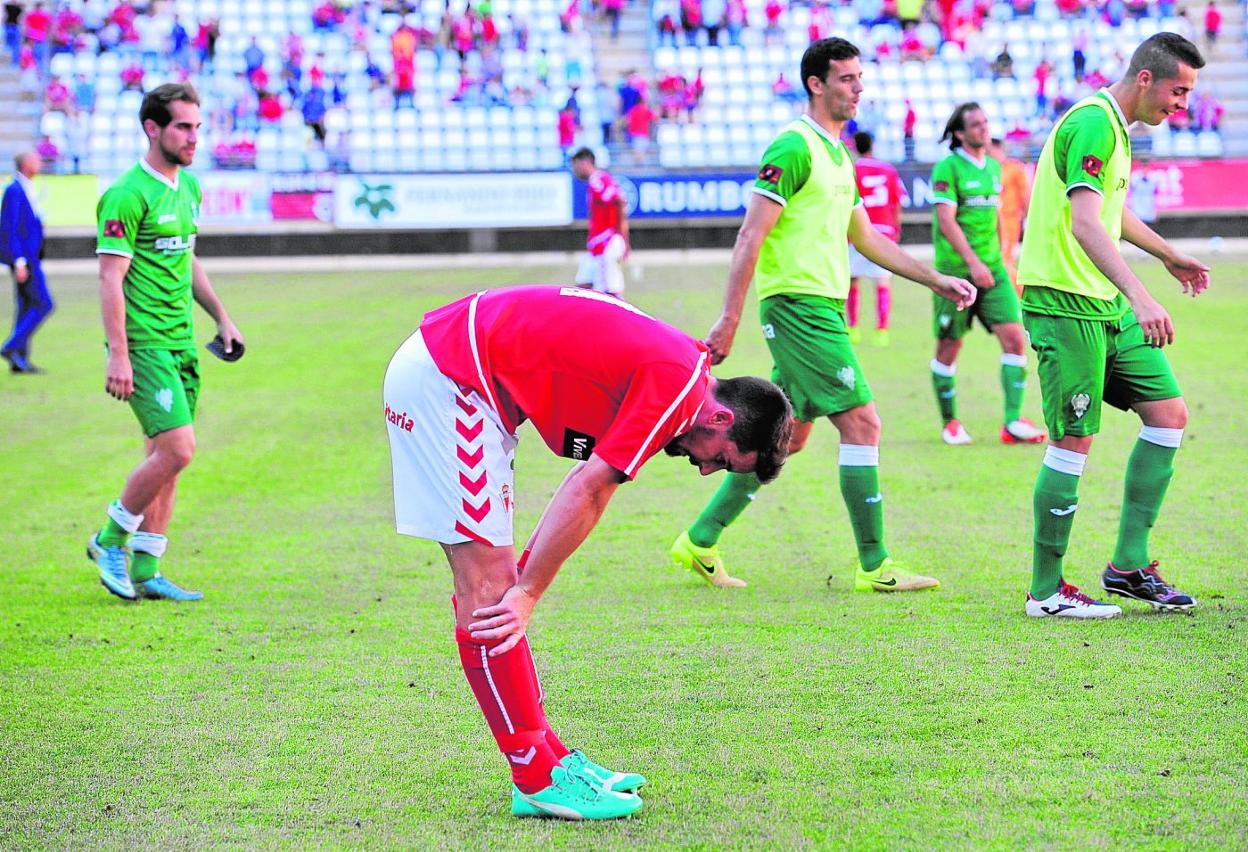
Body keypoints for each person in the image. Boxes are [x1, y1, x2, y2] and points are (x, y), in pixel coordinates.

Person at [384, 284, 793, 819]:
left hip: (465, 377)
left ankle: (547, 760)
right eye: (723, 459)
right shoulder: (681, 395)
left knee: (497, 587)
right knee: (491, 593)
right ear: (721, 420)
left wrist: (526, 581)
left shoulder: (684, 374)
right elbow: (590, 487)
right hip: (452, 378)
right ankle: (534, 774)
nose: (705, 469)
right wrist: (529, 590)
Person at [668, 38, 976, 591]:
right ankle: (876, 566)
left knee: (786, 436)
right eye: (847, 79)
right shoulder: (793, 147)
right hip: (798, 307)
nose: (859, 88)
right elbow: (750, 234)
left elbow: (868, 239)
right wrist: (729, 317)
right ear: (817, 83)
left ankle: (699, 541)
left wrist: (934, 277)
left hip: (821, 307)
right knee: (863, 422)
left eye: (861, 78)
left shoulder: (839, 155)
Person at [1017, 33, 1210, 618]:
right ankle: (1045, 594)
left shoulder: (1117, 128)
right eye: (1178, 91)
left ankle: (1128, 566)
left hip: (1104, 303)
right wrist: (1142, 293)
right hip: (1066, 302)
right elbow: (1084, 223)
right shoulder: (1095, 123)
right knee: (1074, 440)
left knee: (1168, 415)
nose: (1182, 105)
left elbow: (1111, 211)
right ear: (1146, 79)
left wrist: (1166, 252)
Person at [86, 83, 245, 603]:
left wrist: (221, 317)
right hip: (145, 343)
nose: (194, 137)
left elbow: (187, 259)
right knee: (179, 449)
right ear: (153, 128)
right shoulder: (127, 193)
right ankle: (109, 540)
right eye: (183, 126)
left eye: (198, 127)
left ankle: (148, 569)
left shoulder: (188, 188)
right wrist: (119, 352)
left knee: (165, 455)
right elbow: (111, 277)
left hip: (181, 341)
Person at [928, 105, 1046, 447]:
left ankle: (1012, 422)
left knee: (1014, 338)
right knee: (949, 347)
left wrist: (1001, 256)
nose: (984, 129)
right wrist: (973, 262)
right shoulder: (947, 168)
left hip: (993, 269)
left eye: (985, 122)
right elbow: (946, 221)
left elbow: (995, 216)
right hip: (956, 272)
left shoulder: (994, 168)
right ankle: (950, 422)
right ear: (960, 134)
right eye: (976, 125)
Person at [846, 130, 902, 347]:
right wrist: (895, 229)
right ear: (872, 146)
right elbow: (896, 203)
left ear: (854, 147)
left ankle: (853, 327)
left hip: (859, 228)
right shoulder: (888, 169)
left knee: (852, 279)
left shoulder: (851, 169)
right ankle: (882, 329)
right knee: (882, 281)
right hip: (884, 231)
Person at [1, 151, 52, 374]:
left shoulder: (30, 188)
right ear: (25, 164)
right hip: (26, 260)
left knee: (25, 306)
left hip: (31, 257)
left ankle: (19, 360)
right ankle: (10, 347)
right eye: (35, 159)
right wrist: (19, 261)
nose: (39, 162)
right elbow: (9, 229)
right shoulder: (14, 190)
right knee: (43, 304)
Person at [569, 147, 629, 297]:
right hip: (597, 245)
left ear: (585, 163)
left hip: (605, 242)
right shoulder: (597, 180)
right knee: (583, 287)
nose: (574, 170)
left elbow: (619, 201)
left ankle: (621, 318)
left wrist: (622, 238)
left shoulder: (597, 180)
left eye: (575, 165)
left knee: (609, 293)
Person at [988, 136, 1029, 290]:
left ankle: (1020, 294)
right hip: (992, 221)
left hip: (1010, 222)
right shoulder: (990, 168)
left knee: (1004, 261)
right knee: (998, 261)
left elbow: (1025, 195)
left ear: (998, 148)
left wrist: (1028, 219)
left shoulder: (1014, 169)